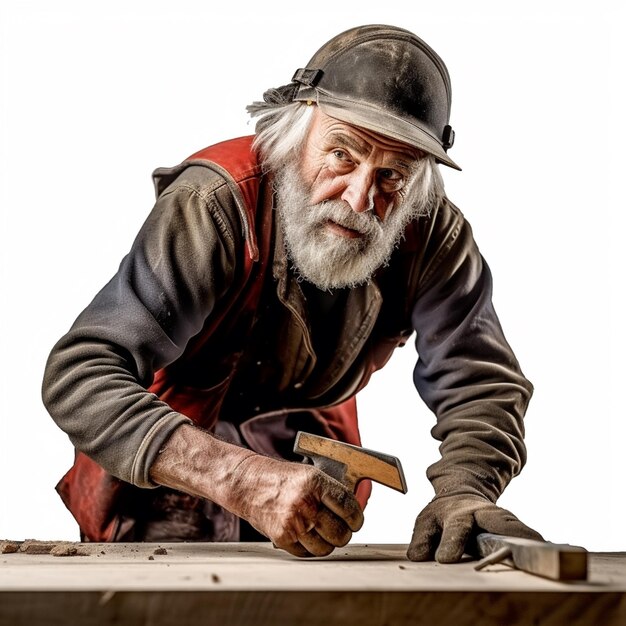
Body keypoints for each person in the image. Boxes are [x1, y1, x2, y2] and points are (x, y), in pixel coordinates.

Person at [42, 24, 543, 561]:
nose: (358, 199)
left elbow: (481, 384)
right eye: (343, 155)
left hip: (311, 460)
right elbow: (81, 374)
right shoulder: (213, 202)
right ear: (294, 135)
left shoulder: (431, 234)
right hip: (170, 454)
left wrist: (467, 488)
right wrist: (238, 477)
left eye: (393, 175)